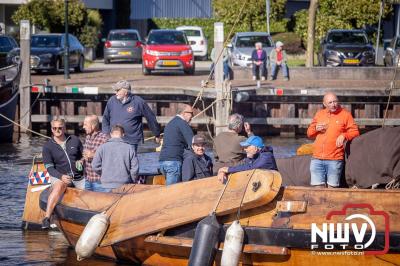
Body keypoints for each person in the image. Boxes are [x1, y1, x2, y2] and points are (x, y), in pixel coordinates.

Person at [307, 92, 359, 188]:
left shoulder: (345, 115)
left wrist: (344, 135)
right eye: (330, 102)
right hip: (317, 159)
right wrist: (316, 129)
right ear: (324, 104)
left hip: (334, 160)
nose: (333, 104)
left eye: (335, 101)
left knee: (332, 190)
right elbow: (309, 133)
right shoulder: (319, 114)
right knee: (317, 190)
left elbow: (355, 132)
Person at [41, 118, 83, 229]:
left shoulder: (74, 140)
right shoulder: (47, 147)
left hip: (78, 176)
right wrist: (61, 176)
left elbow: (82, 155)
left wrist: (82, 160)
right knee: (59, 186)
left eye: (60, 128)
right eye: (55, 128)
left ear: (64, 128)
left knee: (90, 189)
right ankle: (47, 218)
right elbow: (49, 168)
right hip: (59, 175)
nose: (57, 130)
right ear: (51, 129)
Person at [102, 80, 161, 153]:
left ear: (126, 92)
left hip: (131, 141)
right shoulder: (111, 101)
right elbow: (105, 118)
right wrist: (105, 134)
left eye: (118, 90)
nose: (115, 93)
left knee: (130, 163)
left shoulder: (138, 102)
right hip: (114, 140)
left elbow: (151, 118)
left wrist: (157, 134)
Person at [92, 125, 139, 191]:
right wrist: (132, 180)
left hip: (106, 185)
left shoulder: (102, 147)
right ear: (123, 134)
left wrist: (105, 173)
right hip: (124, 185)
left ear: (111, 134)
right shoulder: (130, 148)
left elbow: (94, 166)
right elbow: (135, 169)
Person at [159, 104, 194, 185]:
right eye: (191, 113)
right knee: (172, 192)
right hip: (173, 162)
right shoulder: (183, 124)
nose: (192, 116)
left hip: (163, 162)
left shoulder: (171, 123)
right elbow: (193, 143)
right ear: (184, 113)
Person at [82, 115, 109, 192]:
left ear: (93, 126)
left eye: (85, 124)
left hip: (99, 181)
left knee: (102, 203)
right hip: (87, 179)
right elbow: (85, 155)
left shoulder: (104, 138)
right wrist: (82, 160)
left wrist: (94, 155)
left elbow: (110, 158)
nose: (83, 127)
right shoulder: (87, 137)